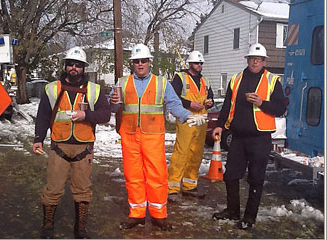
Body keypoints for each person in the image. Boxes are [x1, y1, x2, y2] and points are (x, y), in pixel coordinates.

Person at [109, 44, 205, 231]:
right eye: (136, 61)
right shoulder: (122, 82)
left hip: (152, 136)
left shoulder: (161, 83)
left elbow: (174, 105)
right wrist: (112, 103)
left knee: (157, 176)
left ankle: (158, 215)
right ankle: (136, 214)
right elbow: (112, 106)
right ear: (132, 64)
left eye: (143, 60)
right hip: (129, 136)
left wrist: (187, 116)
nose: (140, 64)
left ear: (149, 62)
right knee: (133, 176)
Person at [32, 46, 111, 239]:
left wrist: (86, 114)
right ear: (65, 66)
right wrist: (38, 139)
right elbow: (42, 116)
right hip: (59, 146)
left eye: (78, 65)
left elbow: (105, 114)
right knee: (53, 189)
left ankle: (80, 229)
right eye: (70, 64)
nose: (74, 68)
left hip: (84, 148)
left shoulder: (94, 90)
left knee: (83, 191)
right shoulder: (52, 89)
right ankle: (48, 225)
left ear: (84, 68)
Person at [211, 43, 286, 229]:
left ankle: (249, 217)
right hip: (238, 136)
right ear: (247, 60)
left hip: (260, 138)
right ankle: (232, 210)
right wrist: (220, 126)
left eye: (259, 59)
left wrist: (262, 103)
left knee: (255, 178)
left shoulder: (272, 80)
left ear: (264, 61)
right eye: (252, 58)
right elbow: (227, 105)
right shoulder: (236, 79)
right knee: (231, 175)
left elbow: (281, 108)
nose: (255, 62)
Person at [167, 51, 214, 202]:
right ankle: (172, 188)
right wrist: (189, 104)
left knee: (196, 153)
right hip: (186, 118)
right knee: (182, 152)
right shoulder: (180, 77)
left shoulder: (205, 80)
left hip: (201, 120)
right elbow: (172, 97)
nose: (199, 66)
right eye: (196, 63)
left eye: (200, 63)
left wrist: (209, 102)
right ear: (189, 64)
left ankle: (189, 185)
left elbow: (210, 96)